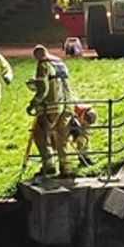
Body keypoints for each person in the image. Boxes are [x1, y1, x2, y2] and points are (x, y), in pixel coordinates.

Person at [27, 44, 75, 178]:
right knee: (62, 137)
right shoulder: (60, 63)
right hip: (67, 105)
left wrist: (33, 103)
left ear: (38, 55)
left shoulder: (43, 64)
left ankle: (49, 165)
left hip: (52, 107)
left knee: (40, 133)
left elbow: (43, 89)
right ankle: (66, 168)